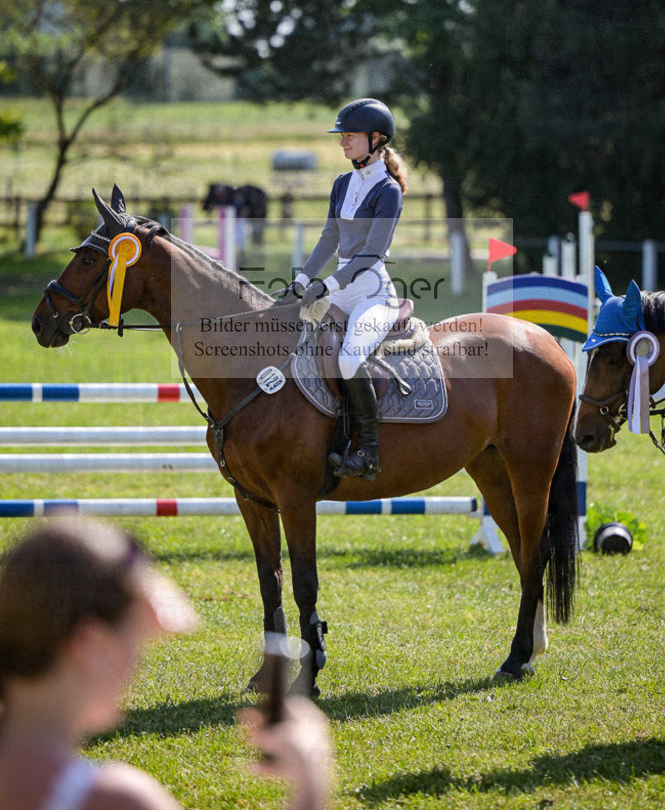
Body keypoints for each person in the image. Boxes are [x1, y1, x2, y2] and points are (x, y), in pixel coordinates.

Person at [0, 518, 334, 810]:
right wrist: (310, 781)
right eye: (135, 645)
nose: (136, 669)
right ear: (91, 647)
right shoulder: (114, 798)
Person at [275, 97, 408, 480]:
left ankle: (368, 452)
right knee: (286, 336)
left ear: (376, 139)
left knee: (350, 359)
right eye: (342, 135)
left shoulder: (388, 191)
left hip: (373, 294)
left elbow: (371, 253)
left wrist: (327, 284)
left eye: (350, 135)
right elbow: (329, 239)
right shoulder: (342, 183)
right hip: (339, 291)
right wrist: (301, 282)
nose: (342, 141)